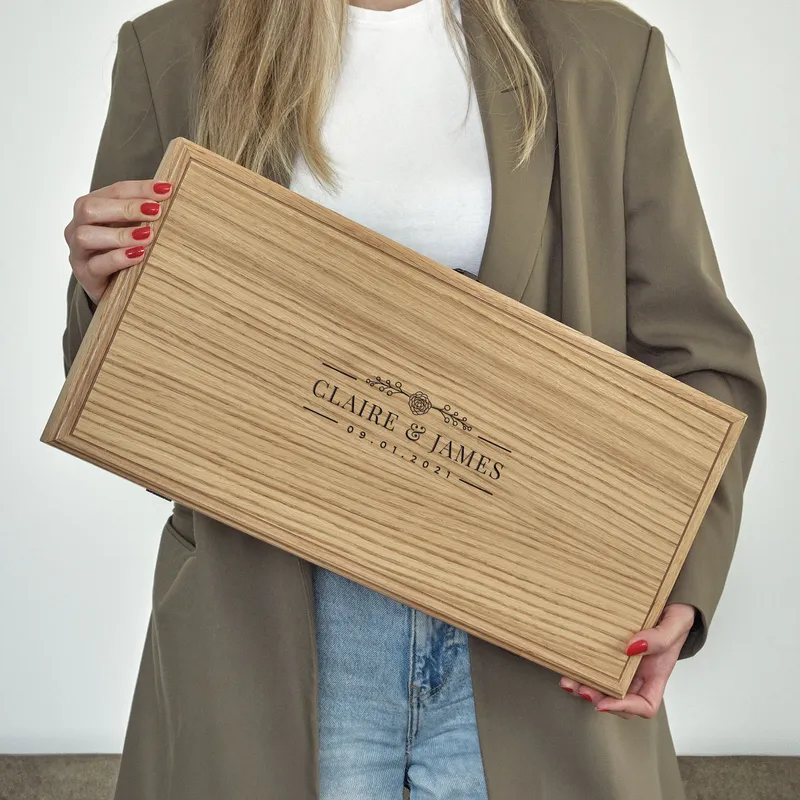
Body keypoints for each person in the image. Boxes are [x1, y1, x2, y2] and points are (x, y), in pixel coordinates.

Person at [61, 0, 767, 798]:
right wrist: (102, 289)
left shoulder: (603, 52)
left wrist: (683, 578)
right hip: (268, 621)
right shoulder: (175, 47)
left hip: (530, 631)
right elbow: (123, 390)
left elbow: (701, 362)